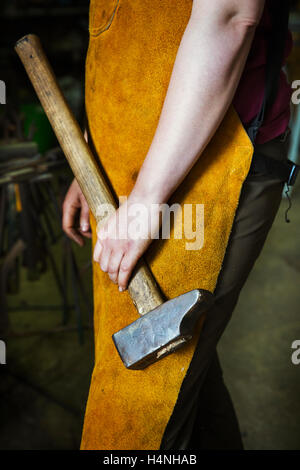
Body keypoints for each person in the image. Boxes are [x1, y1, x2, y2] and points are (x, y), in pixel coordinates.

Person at [62, 0, 293, 450]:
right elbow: (129, 36)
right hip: (132, 165)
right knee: (189, 377)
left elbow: (228, 16)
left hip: (208, 162)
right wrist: (91, 157)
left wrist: (148, 199)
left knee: (139, 415)